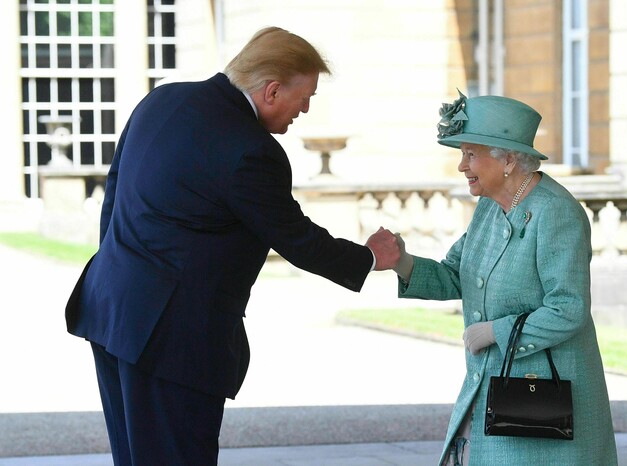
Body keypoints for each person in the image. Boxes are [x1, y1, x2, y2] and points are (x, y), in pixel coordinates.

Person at [65, 26, 400, 465]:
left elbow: (114, 193)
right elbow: (295, 237)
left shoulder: (161, 99)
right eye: (306, 96)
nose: (306, 108)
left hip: (111, 309)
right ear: (273, 90)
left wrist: (121, 267)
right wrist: (371, 256)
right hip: (171, 339)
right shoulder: (251, 150)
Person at [387, 92, 618, 464]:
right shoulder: (489, 209)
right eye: (461, 154)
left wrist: (497, 331)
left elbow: (568, 309)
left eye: (470, 154)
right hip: (493, 389)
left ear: (508, 159)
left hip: (542, 399)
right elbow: (454, 275)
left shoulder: (556, 213)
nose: (462, 166)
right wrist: (402, 262)